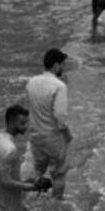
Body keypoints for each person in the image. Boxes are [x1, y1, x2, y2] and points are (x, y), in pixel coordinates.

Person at [26, 48, 71, 200]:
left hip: (35, 136)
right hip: (53, 137)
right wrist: (68, 135)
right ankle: (55, 205)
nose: (64, 69)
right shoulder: (59, 86)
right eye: (63, 65)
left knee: (38, 171)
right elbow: (60, 117)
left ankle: (32, 202)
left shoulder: (31, 83)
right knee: (59, 174)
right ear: (56, 65)